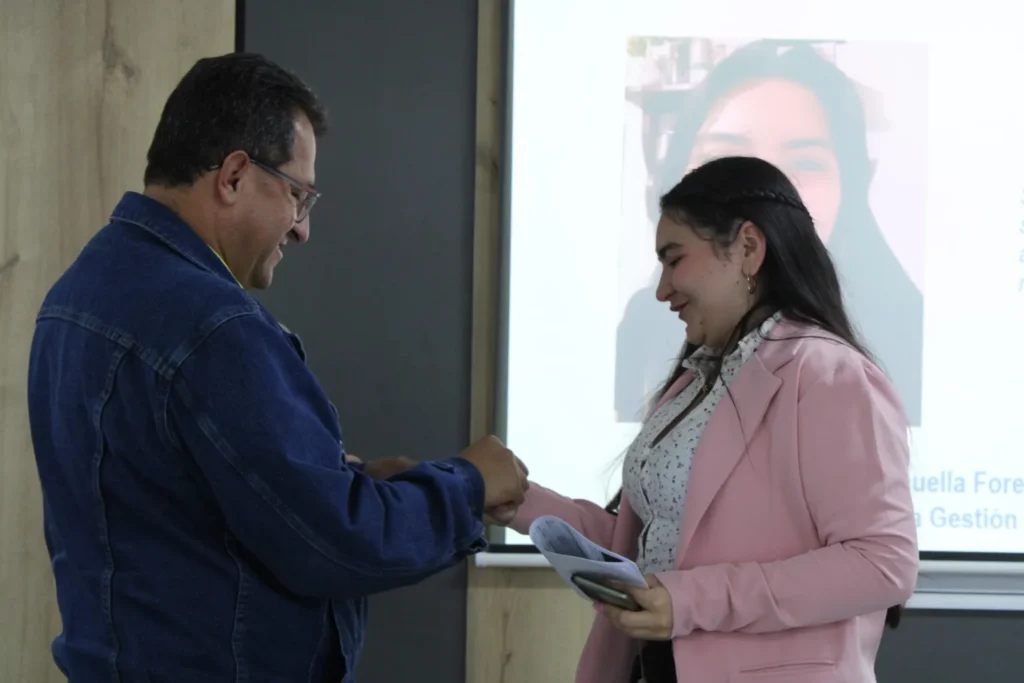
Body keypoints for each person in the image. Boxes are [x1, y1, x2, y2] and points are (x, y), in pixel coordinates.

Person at [26, 52, 528, 682]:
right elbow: (334, 543)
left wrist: (342, 477)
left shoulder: (79, 292)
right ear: (234, 175)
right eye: (299, 195)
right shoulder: (212, 325)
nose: (303, 229)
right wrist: (468, 485)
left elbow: (165, 490)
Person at [505, 156, 919, 682]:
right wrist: (517, 502)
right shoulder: (694, 381)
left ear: (748, 247)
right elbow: (649, 553)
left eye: (673, 259)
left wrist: (689, 600)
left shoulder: (828, 375)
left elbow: (882, 563)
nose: (661, 289)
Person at [616, 40, 924, 427]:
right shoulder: (662, 335)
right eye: (724, 161)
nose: (767, 187)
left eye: (806, 161)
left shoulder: (847, 371)